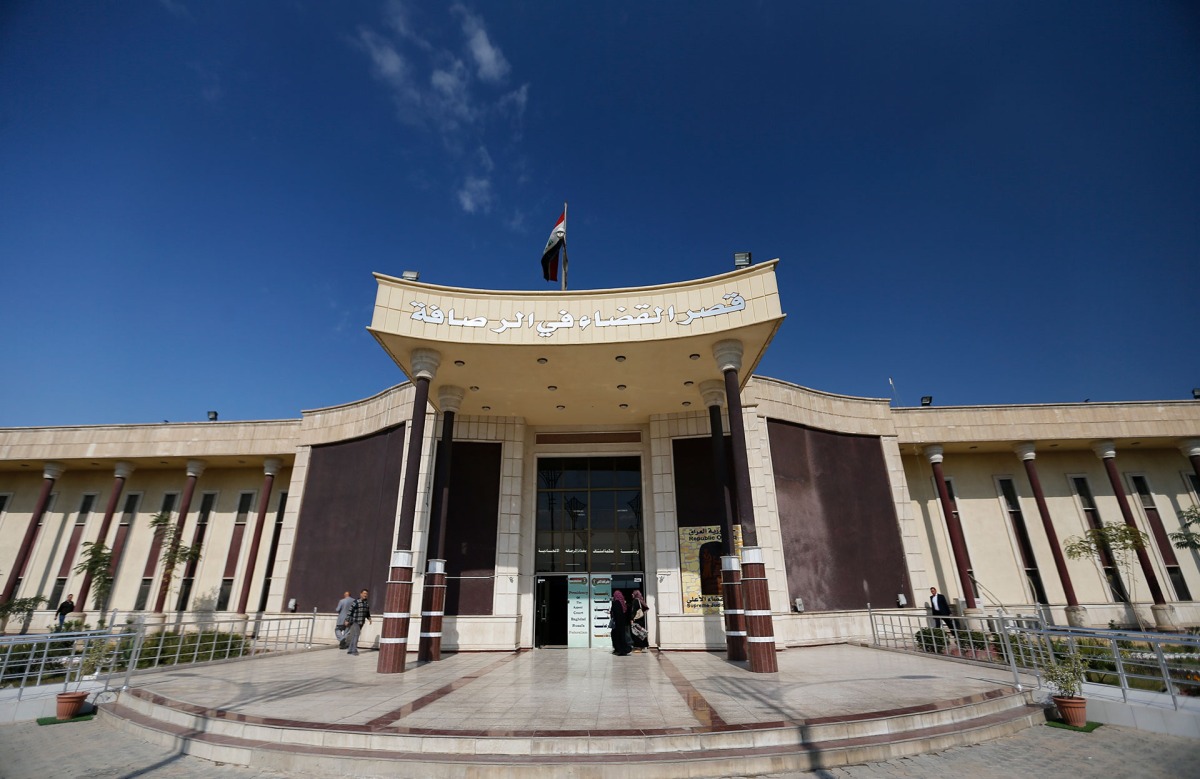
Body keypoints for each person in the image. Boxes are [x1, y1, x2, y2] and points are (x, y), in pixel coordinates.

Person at [343, 588, 372, 656]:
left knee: (354, 635)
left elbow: (367, 612)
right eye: (364, 593)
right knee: (356, 635)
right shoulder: (356, 602)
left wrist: (369, 618)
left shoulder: (366, 603)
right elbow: (350, 611)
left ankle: (350, 650)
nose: (365, 595)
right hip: (355, 621)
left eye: (366, 594)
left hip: (362, 621)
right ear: (361, 594)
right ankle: (354, 650)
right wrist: (347, 620)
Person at [609, 590, 631, 656]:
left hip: (617, 623)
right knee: (621, 636)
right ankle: (622, 649)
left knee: (616, 636)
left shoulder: (616, 603)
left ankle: (621, 650)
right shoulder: (622, 603)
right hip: (622, 623)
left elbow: (616, 614)